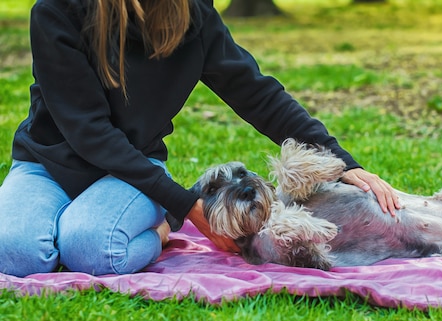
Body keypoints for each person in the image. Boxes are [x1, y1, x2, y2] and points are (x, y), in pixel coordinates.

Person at [0, 0, 400, 277]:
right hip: (45, 166)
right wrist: (187, 205)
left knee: (92, 251)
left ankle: (157, 229)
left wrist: (341, 161)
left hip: (131, 172)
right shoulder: (58, 10)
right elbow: (89, 131)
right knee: (14, 254)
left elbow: (256, 93)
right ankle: (82, 226)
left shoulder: (193, 14)